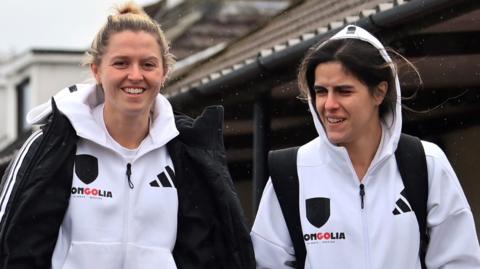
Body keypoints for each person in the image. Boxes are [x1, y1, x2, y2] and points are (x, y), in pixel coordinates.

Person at [0, 3, 255, 269]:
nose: (135, 75)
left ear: (164, 72)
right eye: (121, 63)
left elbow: (217, 252)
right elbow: (12, 246)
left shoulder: (189, 152)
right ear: (97, 71)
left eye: (148, 64)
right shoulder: (52, 145)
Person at [251, 25, 480, 268]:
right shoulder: (292, 171)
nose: (329, 104)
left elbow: (460, 261)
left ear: (379, 93)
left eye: (343, 91)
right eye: (320, 91)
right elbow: (266, 263)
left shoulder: (426, 162)